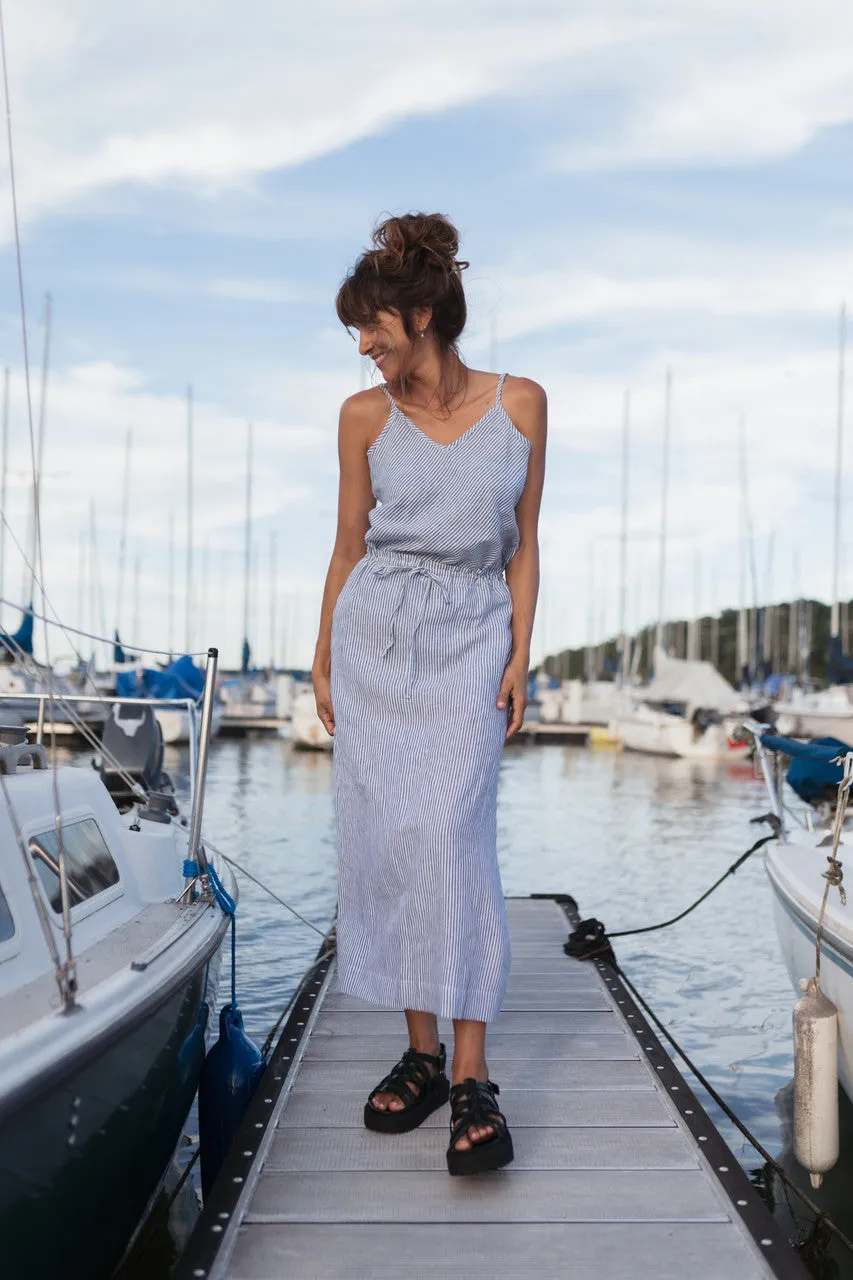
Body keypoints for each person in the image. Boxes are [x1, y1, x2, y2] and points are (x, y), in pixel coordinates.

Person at [312, 211, 546, 1176]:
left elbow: (525, 544)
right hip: (377, 639)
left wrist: (520, 652)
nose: (362, 348)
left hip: (470, 636)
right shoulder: (362, 417)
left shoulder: (521, 404)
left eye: (371, 328)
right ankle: (420, 1053)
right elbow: (346, 544)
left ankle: (472, 1071)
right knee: (396, 842)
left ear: (419, 316)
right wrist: (322, 655)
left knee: (451, 834)